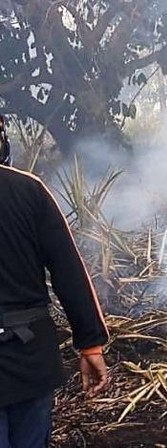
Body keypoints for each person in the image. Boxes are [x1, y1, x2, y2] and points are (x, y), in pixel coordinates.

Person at [0, 114, 110, 447]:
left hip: (30, 359)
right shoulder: (29, 190)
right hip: (29, 359)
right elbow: (69, 270)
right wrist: (90, 343)